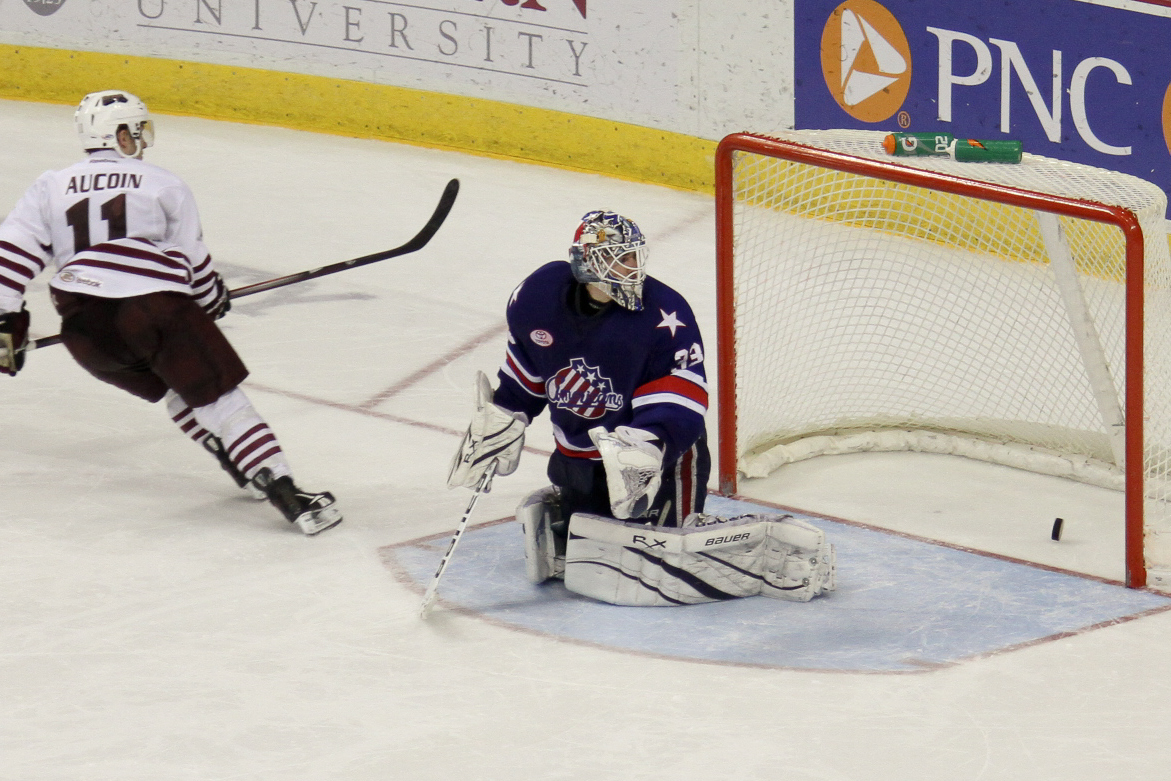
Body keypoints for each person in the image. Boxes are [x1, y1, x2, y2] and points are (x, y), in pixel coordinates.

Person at [448, 210, 835, 606]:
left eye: (634, 256)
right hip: (579, 452)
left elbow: (681, 396)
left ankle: (728, 546)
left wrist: (647, 447)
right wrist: (504, 416)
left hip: (657, 457)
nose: (632, 267)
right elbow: (529, 369)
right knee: (586, 551)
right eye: (619, 256)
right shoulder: (538, 296)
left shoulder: (665, 314)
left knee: (662, 557)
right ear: (586, 261)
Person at [0, 89, 341, 535]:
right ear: (120, 135)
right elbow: (194, 264)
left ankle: (240, 461)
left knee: (174, 390)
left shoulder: (50, 186)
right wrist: (211, 299)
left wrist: (7, 325)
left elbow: (8, 259)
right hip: (152, 311)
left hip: (86, 331)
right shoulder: (163, 184)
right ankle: (284, 488)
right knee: (215, 394)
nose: (142, 142)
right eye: (137, 132)